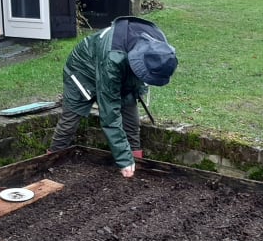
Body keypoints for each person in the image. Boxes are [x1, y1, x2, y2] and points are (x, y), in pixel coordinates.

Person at [48, 16, 178, 178]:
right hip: (83, 71)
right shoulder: (113, 58)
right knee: (70, 121)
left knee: (131, 122)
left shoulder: (159, 48)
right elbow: (109, 113)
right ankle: (48, 164)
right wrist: (123, 158)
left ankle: (135, 167)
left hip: (123, 71)